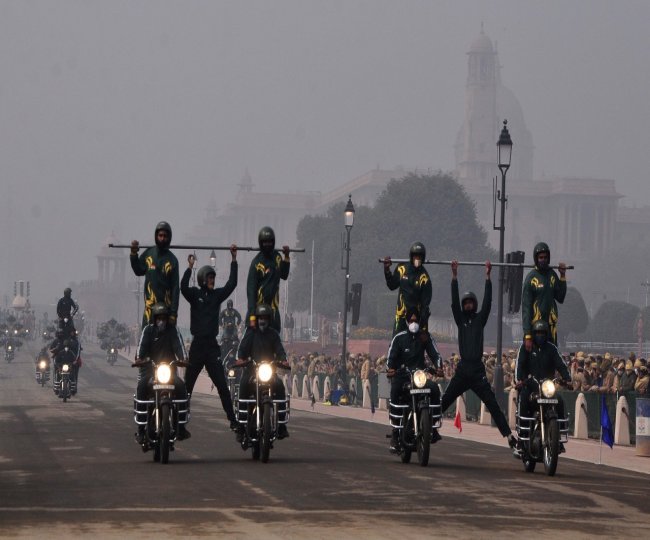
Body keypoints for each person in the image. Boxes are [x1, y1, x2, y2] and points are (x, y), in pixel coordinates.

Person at [441, 259, 518, 450]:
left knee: (493, 404)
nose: (467, 305)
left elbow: (488, 302)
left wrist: (488, 277)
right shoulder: (460, 320)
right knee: (443, 401)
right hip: (462, 370)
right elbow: (453, 301)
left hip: (477, 370)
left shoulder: (479, 320)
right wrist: (454, 277)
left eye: (470, 303)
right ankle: (428, 429)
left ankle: (509, 436)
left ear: (474, 305)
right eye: (465, 303)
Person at [181, 247, 239, 432]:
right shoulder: (194, 295)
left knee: (222, 385)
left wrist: (234, 259)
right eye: (210, 278)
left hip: (212, 346)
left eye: (213, 278)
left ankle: (233, 420)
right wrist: (189, 267)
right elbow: (183, 287)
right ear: (202, 280)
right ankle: (179, 424)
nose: (213, 281)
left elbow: (232, 284)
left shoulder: (217, 296)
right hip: (197, 345)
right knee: (187, 388)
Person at [386, 308, 443, 452]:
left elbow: (435, 354)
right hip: (402, 375)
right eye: (411, 320)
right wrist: (390, 369)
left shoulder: (424, 337)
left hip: (419, 376)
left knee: (435, 389)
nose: (414, 323)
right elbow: (390, 357)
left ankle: (432, 426)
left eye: (416, 320)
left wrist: (439, 367)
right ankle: (395, 432)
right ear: (406, 321)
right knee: (395, 390)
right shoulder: (399, 338)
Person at [134, 302, 189, 444]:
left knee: (182, 387)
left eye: (164, 318)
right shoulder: (148, 330)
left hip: (169, 372)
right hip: (151, 370)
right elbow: (141, 348)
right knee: (141, 387)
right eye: (159, 318)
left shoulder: (173, 331)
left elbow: (179, 347)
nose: (161, 321)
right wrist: (139, 359)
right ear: (154, 318)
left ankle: (181, 427)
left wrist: (183, 359)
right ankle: (141, 429)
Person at [514, 320, 571, 453]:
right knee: (523, 398)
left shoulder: (551, 348)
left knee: (560, 400)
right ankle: (522, 438)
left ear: (547, 334)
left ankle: (559, 437)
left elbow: (561, 364)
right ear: (534, 334)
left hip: (547, 388)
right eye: (538, 333)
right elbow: (519, 365)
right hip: (531, 386)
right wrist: (519, 380)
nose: (540, 335)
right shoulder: (526, 347)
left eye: (543, 333)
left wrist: (567, 379)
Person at [235, 304, 291, 439]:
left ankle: (281, 425)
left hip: (268, 371)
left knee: (280, 386)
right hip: (252, 370)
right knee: (243, 385)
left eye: (265, 318)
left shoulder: (273, 334)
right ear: (257, 318)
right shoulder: (250, 333)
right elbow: (242, 349)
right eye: (260, 318)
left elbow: (280, 350)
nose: (262, 320)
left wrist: (283, 360)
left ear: (269, 319)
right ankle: (241, 425)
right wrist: (241, 359)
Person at [130, 221, 180, 328]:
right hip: (150, 310)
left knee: (167, 338)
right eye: (160, 235)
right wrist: (133, 255)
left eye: (165, 236)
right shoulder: (149, 254)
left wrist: (173, 314)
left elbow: (176, 288)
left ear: (169, 238)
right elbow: (138, 270)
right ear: (156, 236)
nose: (162, 238)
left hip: (166, 312)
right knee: (146, 337)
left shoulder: (173, 260)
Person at [522, 242, 567, 351]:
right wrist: (527, 335)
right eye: (541, 257)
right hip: (535, 328)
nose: (543, 260)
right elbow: (526, 308)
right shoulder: (531, 278)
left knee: (551, 357)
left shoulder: (552, 275)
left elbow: (560, 297)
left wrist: (562, 275)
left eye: (545, 257)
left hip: (550, 327)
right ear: (536, 259)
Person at [383, 242, 432, 335]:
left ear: (423, 258)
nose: (417, 259)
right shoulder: (402, 268)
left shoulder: (425, 278)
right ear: (411, 256)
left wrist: (423, 327)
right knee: (397, 341)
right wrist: (387, 270)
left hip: (415, 319)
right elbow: (392, 285)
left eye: (419, 257)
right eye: (415, 256)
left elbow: (425, 305)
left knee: (415, 343)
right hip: (401, 316)